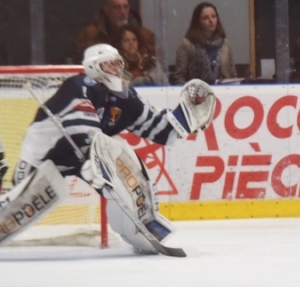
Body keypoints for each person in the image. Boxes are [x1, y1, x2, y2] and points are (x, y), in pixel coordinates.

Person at [1, 43, 215, 253]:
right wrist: (90, 159)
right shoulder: (81, 84)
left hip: (84, 152)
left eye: (116, 64)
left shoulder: (125, 97)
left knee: (123, 156)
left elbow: (154, 125)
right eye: (108, 64)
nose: (115, 69)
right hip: (44, 153)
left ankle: (141, 226)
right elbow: (81, 129)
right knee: (22, 204)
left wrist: (186, 120)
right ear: (94, 67)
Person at [72, 0, 155, 64]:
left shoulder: (145, 35)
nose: (122, 12)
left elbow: (155, 62)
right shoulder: (89, 35)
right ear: (107, 9)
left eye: (125, 7)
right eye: (117, 7)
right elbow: (79, 61)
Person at [171, 2, 236, 85]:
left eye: (214, 16)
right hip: (196, 94)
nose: (211, 20)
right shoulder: (187, 44)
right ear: (198, 21)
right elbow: (179, 77)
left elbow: (233, 74)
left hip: (223, 93)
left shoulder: (225, 43)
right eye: (205, 18)